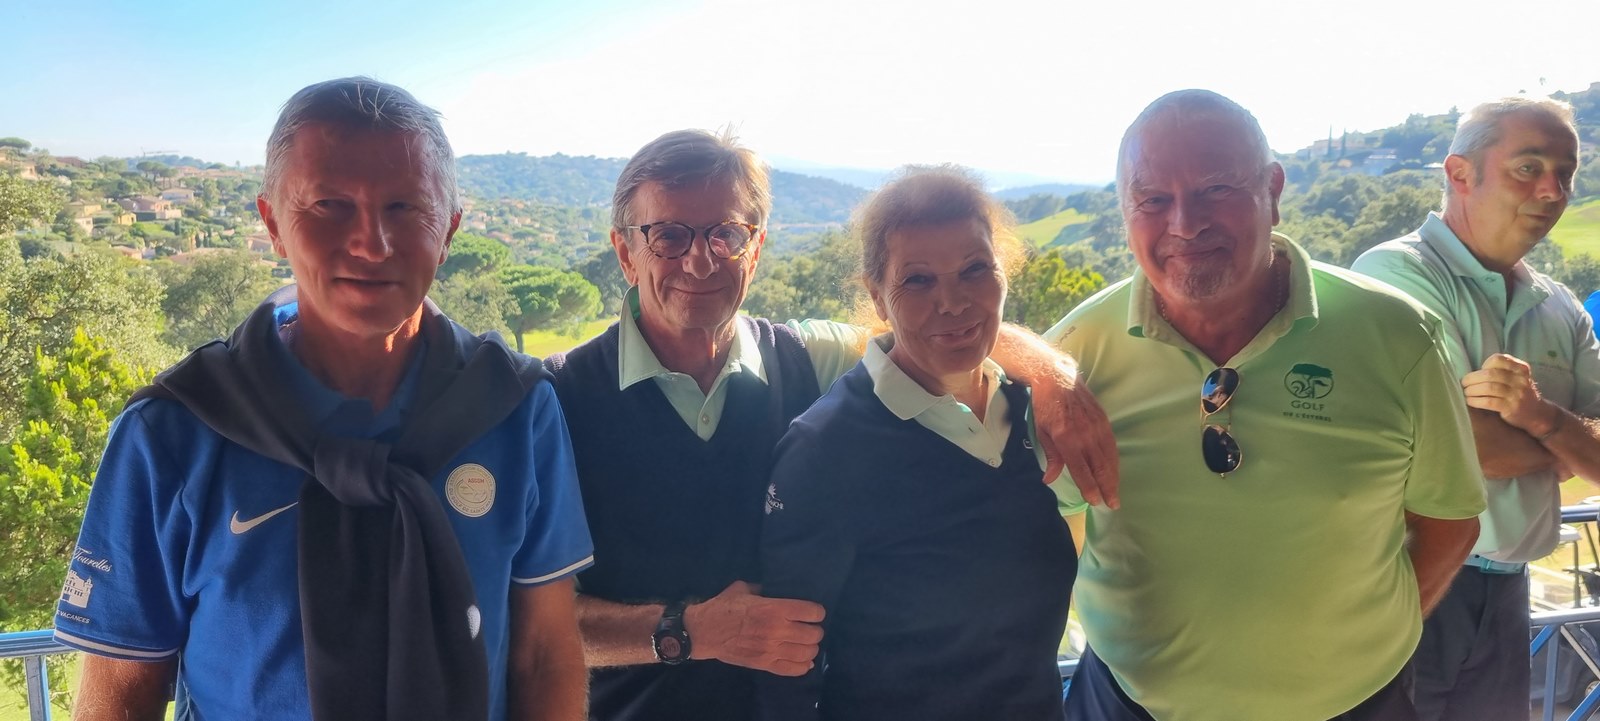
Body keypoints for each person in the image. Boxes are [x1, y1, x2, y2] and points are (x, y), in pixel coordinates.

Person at [53, 77, 593, 721]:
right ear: (273, 224)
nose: (371, 243)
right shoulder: (176, 430)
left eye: (405, 208)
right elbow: (121, 692)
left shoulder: (515, 408)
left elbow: (544, 656)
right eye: (330, 206)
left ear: (448, 230)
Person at [544, 129, 1117, 721]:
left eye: (726, 234)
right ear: (625, 252)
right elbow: (527, 622)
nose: (701, 259)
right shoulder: (558, 400)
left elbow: (930, 332)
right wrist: (685, 631)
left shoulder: (805, 358)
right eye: (668, 236)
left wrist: (1052, 375)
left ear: (755, 248)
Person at [1048, 89, 1486, 721]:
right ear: (1123, 209)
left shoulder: (1397, 338)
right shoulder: (1074, 354)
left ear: (1273, 190)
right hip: (1129, 704)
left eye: (1216, 189)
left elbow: (1449, 520)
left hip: (1357, 706)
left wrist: (1352, 651)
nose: (1185, 224)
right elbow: (1054, 522)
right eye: (1152, 200)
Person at [756, 165, 1076, 721]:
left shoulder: (1030, 412)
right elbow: (785, 666)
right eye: (918, 280)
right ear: (878, 297)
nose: (952, 302)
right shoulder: (826, 450)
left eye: (974, 269)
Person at [1352, 96, 1600, 720]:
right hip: (1413, 579)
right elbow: (1465, 447)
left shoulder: (1561, 306)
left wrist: (1539, 416)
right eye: (1528, 167)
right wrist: (1566, 444)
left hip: (1509, 593)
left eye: (1565, 174)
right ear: (1460, 174)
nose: (1552, 191)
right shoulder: (1394, 274)